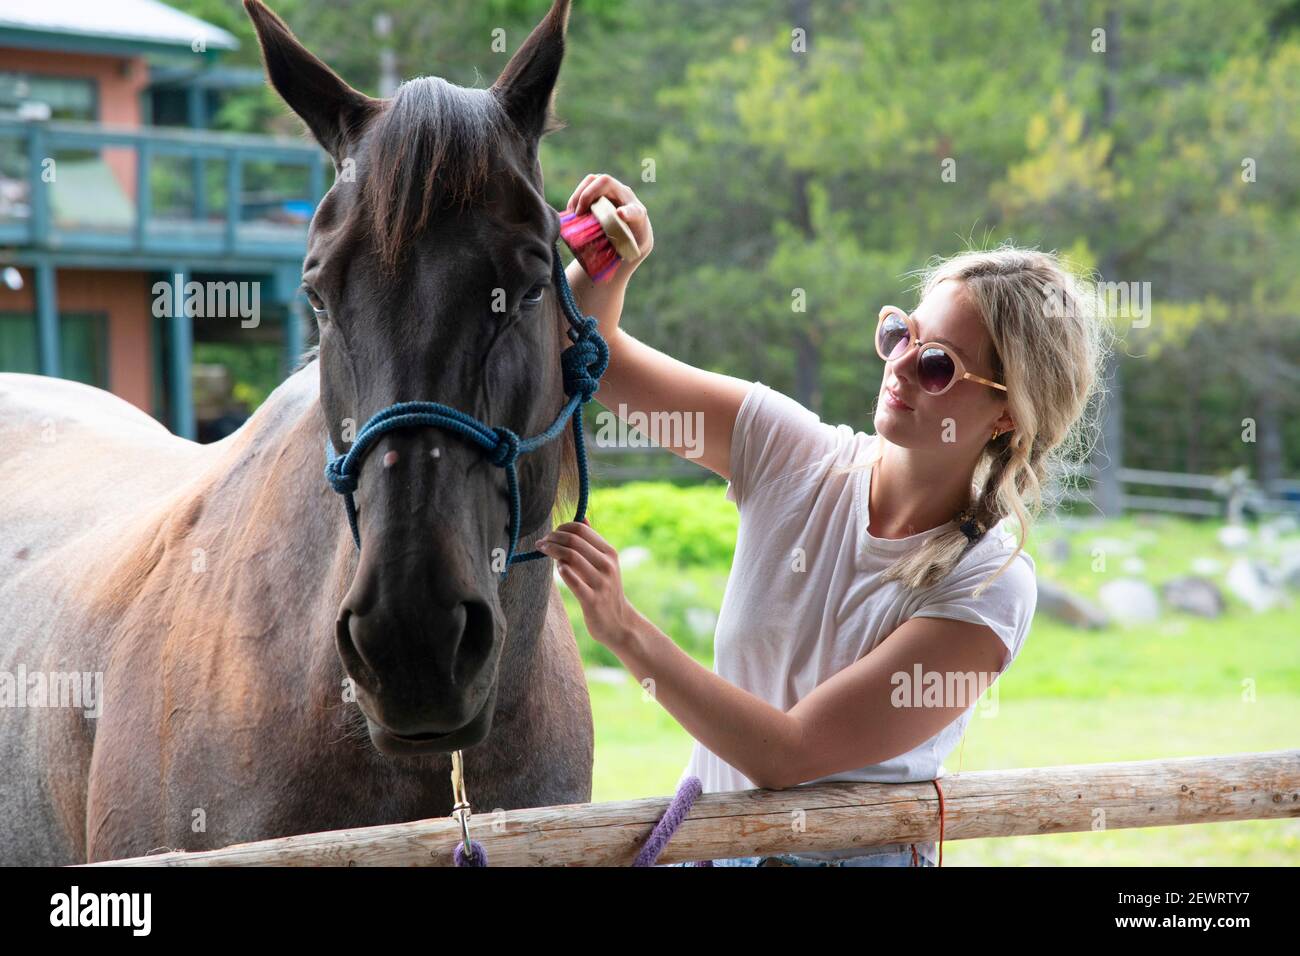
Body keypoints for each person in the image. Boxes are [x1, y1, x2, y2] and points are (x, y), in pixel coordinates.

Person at [536, 174, 1109, 867]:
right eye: (901, 333)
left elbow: (789, 755)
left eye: (936, 365)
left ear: (1007, 414)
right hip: (712, 853)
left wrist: (623, 630)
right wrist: (610, 258)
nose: (898, 365)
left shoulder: (991, 585)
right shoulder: (788, 450)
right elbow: (592, 360)